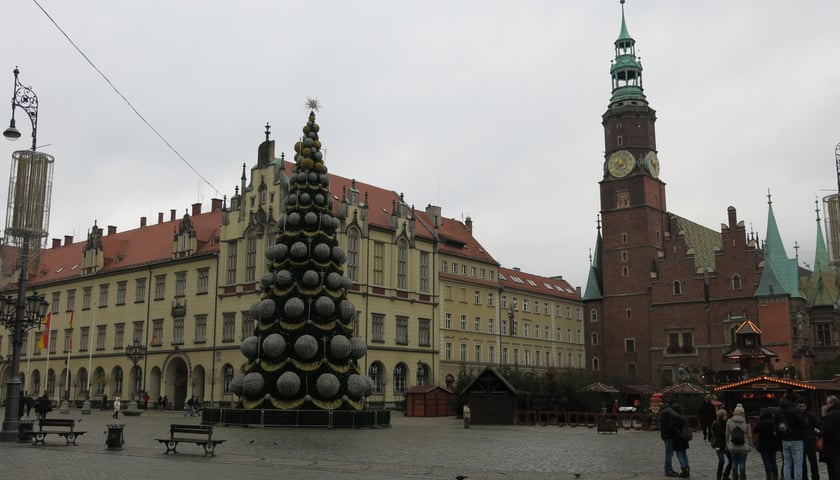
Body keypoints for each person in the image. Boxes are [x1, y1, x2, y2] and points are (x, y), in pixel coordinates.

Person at [779, 395, 809, 480]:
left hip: (785, 439)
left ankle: (787, 478)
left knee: (786, 463)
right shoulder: (795, 411)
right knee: (797, 463)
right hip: (796, 439)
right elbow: (803, 424)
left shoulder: (779, 411)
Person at [726, 403, 752, 480]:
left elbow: (727, 433)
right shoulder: (746, 421)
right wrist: (750, 444)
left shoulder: (730, 421)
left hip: (733, 444)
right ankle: (743, 476)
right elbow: (749, 434)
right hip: (743, 445)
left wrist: (727, 443)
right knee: (742, 462)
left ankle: (735, 476)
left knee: (734, 462)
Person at [755, 407, 782, 480]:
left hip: (763, 444)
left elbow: (755, 431)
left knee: (766, 461)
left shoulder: (761, 423)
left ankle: (769, 475)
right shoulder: (774, 421)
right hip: (773, 444)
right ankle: (775, 474)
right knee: (773, 460)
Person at [798, 398, 821, 480]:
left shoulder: (811, 415)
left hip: (810, 440)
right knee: (802, 462)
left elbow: (818, 426)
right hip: (800, 440)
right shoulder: (797, 415)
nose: (801, 408)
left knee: (813, 461)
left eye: (803, 406)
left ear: (806, 406)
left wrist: (815, 432)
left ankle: (815, 477)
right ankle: (805, 477)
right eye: (800, 406)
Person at [818, 395, 840, 480]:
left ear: (831, 403)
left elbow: (827, 432)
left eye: (826, 403)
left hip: (832, 446)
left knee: (833, 468)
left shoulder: (830, 415)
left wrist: (820, 433)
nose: (825, 405)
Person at [711, 408, 732, 480]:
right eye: (725, 415)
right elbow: (718, 436)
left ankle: (726, 474)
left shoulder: (727, 423)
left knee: (731, 460)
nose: (726, 416)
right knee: (721, 461)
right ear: (722, 416)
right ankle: (718, 476)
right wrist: (717, 446)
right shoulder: (716, 424)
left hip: (726, 444)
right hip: (719, 445)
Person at [671, 404, 692, 478]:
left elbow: (673, 429)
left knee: (679, 454)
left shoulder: (674, 419)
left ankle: (684, 470)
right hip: (684, 438)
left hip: (677, 438)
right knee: (684, 453)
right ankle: (687, 467)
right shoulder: (682, 418)